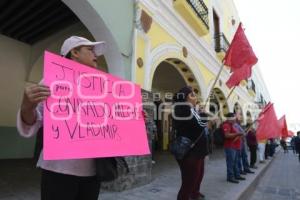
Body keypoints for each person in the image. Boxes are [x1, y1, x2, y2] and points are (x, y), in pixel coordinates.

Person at [17, 36, 107, 200]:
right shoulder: (51, 82)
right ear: (74, 52)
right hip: (58, 170)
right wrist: (26, 106)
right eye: (90, 50)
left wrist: (131, 119)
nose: (96, 55)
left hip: (93, 172)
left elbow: (110, 124)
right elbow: (33, 122)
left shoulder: (103, 88)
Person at [173, 86, 208, 200]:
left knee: (197, 177)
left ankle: (195, 194)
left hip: (197, 152)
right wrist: (204, 114)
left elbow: (198, 125)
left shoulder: (191, 109)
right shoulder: (183, 109)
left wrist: (200, 113)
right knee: (188, 183)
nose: (195, 97)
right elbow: (200, 125)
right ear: (186, 98)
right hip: (190, 153)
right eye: (192, 95)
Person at [222, 112, 245, 184]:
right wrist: (238, 134)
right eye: (234, 117)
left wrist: (240, 134)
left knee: (235, 162)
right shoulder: (226, 125)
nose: (235, 119)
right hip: (230, 147)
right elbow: (227, 135)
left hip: (235, 146)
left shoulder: (232, 125)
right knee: (231, 162)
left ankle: (236, 175)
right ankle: (230, 177)